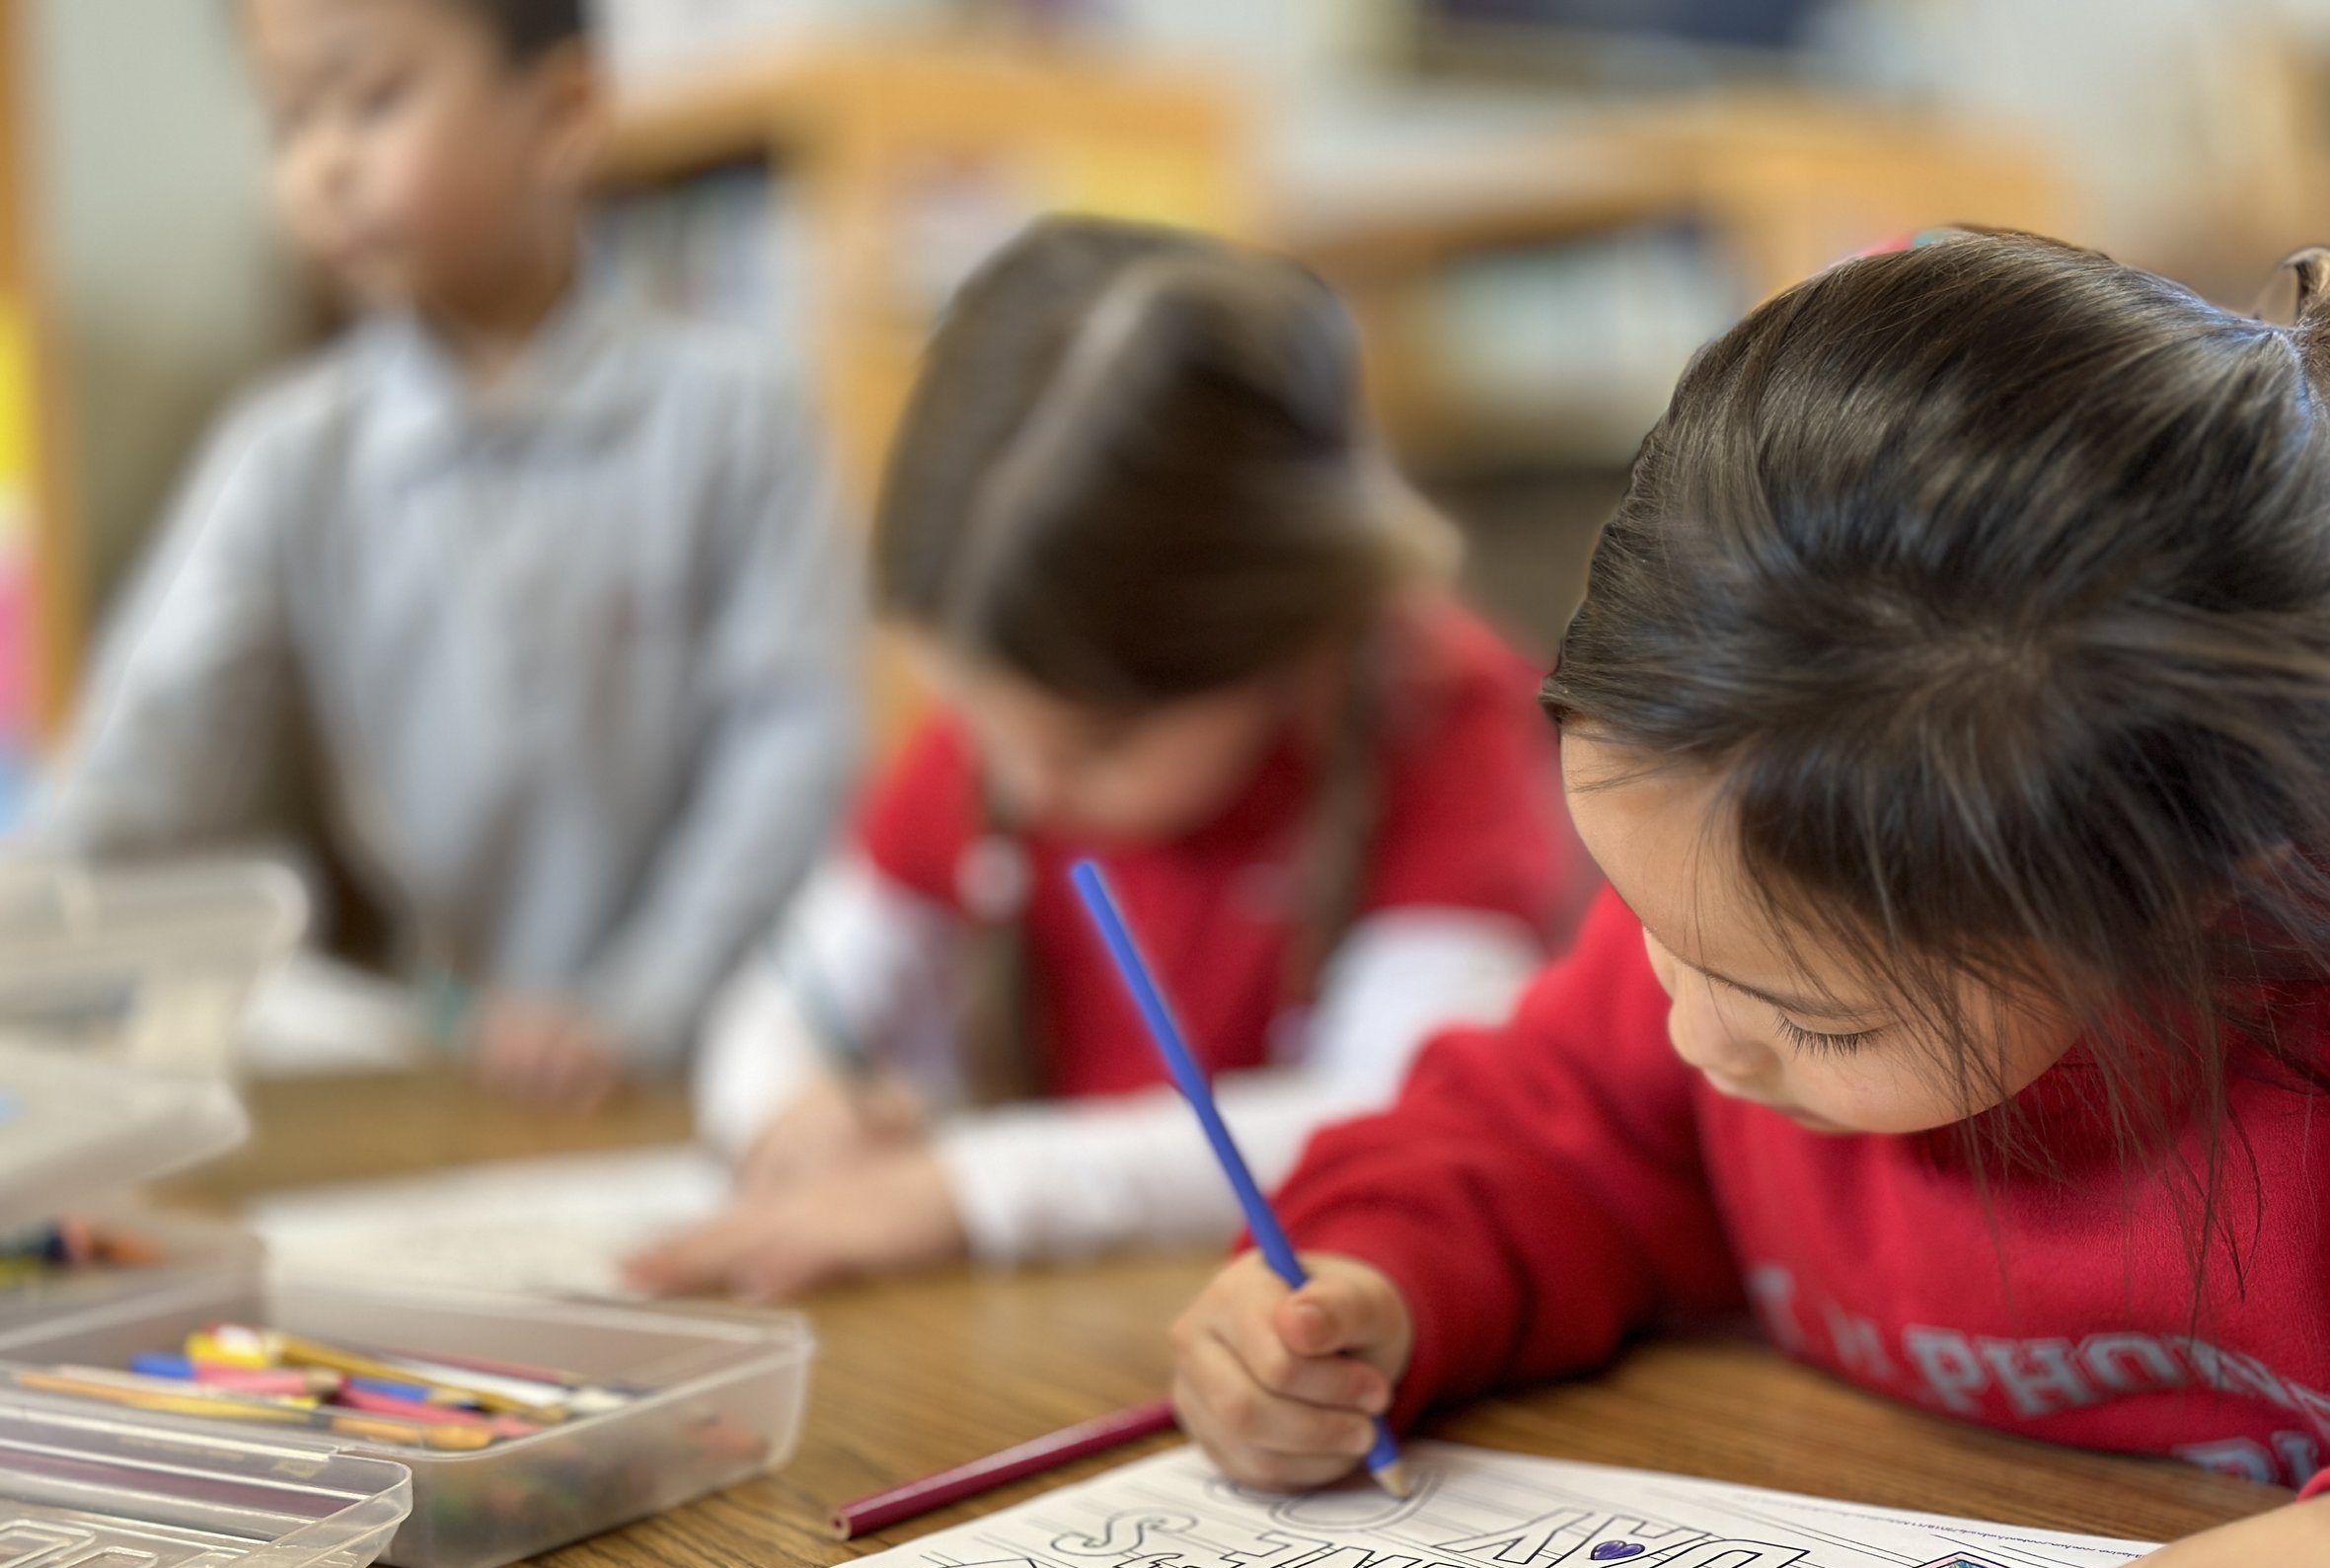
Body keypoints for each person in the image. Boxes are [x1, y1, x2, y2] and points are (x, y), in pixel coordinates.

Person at [1165, 233, 2330, 1568]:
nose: (1695, 1034)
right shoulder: (1738, 911)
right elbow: (1542, 1140)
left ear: (2198, 881)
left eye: (1819, 1017)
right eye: (1645, 926)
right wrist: (1377, 1278)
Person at [630, 216, 1574, 1299]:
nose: (1027, 785)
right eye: (980, 721)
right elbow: (792, 996)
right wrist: (786, 1113)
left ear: (1297, 627)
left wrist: (964, 1190)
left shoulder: (1434, 718)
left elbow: (1403, 1103)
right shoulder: (1014, 723)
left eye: (1097, 744)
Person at [34, 0, 863, 1107]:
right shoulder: (289, 452)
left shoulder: (738, 417)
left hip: (723, 1053)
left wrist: (634, 1004)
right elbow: (143, 762)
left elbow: (792, 758)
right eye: (288, 120)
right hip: (458, 1061)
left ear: (564, 110)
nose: (322, 163)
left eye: (371, 101)